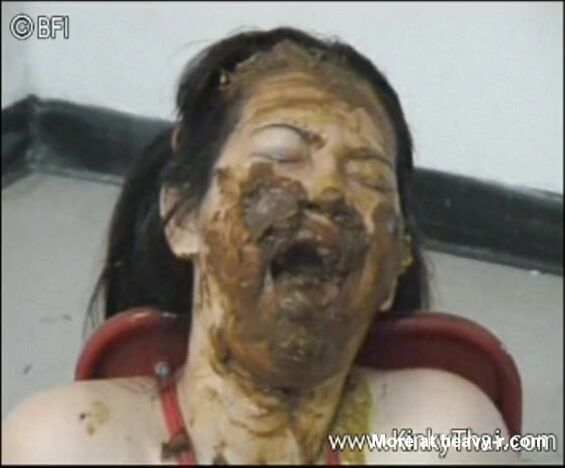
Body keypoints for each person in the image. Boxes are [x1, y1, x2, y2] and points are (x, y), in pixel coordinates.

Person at [2, 28, 517, 464]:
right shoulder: (67, 445)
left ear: (394, 265)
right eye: (282, 156)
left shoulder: (446, 437)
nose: (329, 192)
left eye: (368, 178)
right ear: (183, 218)